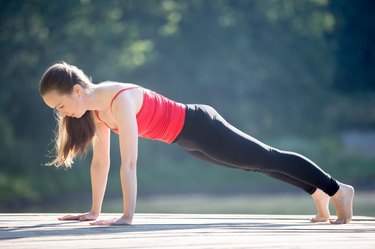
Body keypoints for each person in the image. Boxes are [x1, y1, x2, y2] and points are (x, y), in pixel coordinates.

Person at [39, 62, 354, 226]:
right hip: (186, 140)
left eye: (60, 106)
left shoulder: (119, 99)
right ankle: (317, 193)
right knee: (258, 164)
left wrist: (127, 216)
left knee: (266, 157)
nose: (62, 114)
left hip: (201, 126)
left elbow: (130, 163)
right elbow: (101, 162)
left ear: (78, 90)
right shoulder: (96, 112)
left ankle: (337, 189)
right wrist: (94, 212)